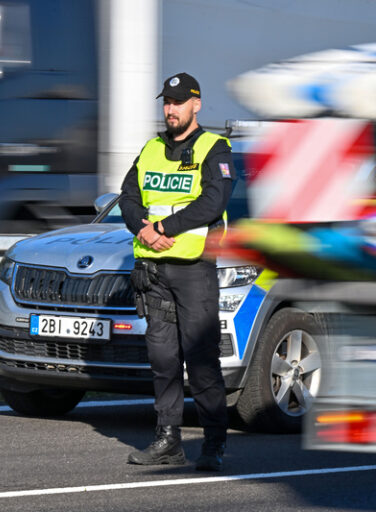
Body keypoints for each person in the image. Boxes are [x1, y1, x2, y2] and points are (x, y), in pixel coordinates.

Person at [119, 72, 236, 471]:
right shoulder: (151, 149)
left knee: (202, 361)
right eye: (166, 102)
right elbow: (128, 197)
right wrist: (143, 230)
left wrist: (164, 228)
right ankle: (168, 439)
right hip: (153, 271)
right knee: (163, 359)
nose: (171, 109)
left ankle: (214, 443)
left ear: (196, 104)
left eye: (179, 101)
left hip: (194, 271)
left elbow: (213, 201)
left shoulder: (214, 148)